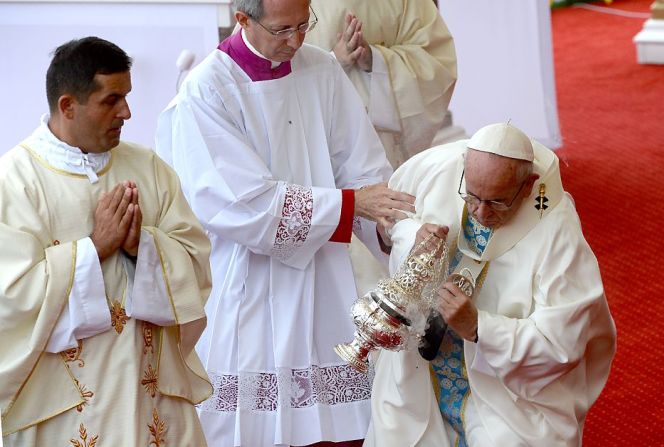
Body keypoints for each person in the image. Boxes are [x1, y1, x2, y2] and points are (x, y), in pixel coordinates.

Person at [154, 0, 414, 445]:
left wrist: (391, 228)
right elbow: (241, 205)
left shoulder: (322, 70)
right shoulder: (207, 90)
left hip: (323, 278)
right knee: (251, 427)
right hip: (247, 281)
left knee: (334, 425)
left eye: (303, 25)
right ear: (242, 19)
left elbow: (361, 165)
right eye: (281, 30)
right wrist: (351, 206)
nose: (295, 41)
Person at [0, 37, 213, 446]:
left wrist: (142, 248)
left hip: (150, 394)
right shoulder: (16, 181)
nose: (126, 112)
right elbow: (11, 298)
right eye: (111, 100)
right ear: (67, 106)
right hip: (60, 408)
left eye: (127, 97)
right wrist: (93, 249)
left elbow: (196, 261)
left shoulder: (148, 167)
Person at [366, 123, 617, 446]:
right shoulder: (440, 168)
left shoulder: (557, 232)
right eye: (471, 196)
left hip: (507, 396)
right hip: (419, 372)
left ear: (528, 187)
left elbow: (563, 343)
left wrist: (479, 327)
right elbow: (389, 222)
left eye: (497, 202)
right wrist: (412, 238)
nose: (480, 213)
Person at [305, 0, 457, 169]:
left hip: (380, 145)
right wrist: (334, 61)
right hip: (319, 138)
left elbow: (434, 62)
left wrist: (376, 60)